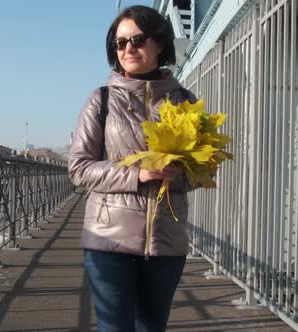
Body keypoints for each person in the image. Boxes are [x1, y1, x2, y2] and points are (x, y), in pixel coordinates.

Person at [68, 5, 197, 332]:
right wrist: (136, 175)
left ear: (160, 44)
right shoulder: (102, 100)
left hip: (167, 239)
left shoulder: (184, 101)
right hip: (108, 238)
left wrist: (178, 171)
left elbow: (198, 174)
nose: (128, 49)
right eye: (120, 43)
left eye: (137, 40)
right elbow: (79, 168)